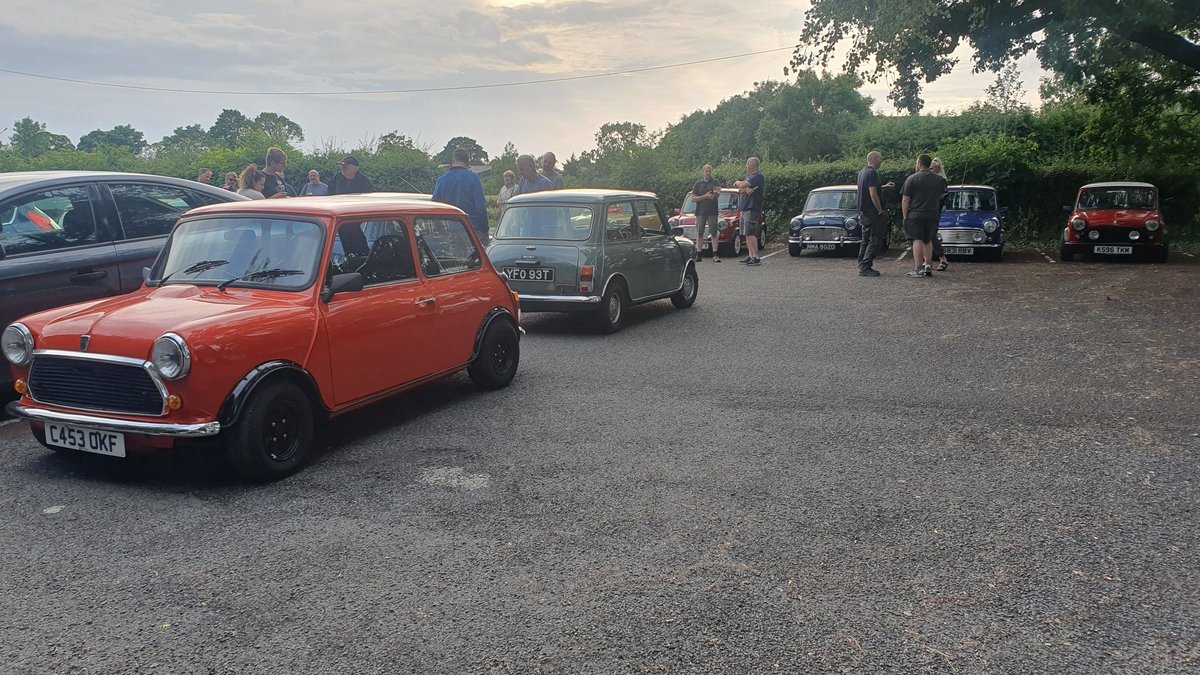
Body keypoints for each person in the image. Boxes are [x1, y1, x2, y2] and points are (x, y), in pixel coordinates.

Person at [900, 154, 948, 278]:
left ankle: (918, 268)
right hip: (932, 213)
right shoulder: (939, 180)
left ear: (920, 163)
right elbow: (941, 197)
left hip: (916, 214)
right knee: (928, 239)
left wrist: (905, 216)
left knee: (917, 240)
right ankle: (928, 265)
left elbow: (905, 199)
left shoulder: (911, 179)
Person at [432, 146, 490, 245]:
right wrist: (484, 229)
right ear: (468, 161)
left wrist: (441, 228)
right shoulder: (473, 178)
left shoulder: (443, 180)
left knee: (457, 259)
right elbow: (481, 208)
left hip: (453, 229)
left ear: (453, 160)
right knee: (476, 259)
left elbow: (433, 207)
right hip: (472, 229)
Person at [856, 151, 896, 277]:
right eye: (880, 159)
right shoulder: (872, 173)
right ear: (873, 158)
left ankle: (862, 264)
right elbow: (873, 194)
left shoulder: (862, 172)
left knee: (865, 240)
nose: (881, 161)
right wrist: (880, 210)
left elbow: (868, 190)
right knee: (875, 240)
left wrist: (883, 187)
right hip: (873, 213)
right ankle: (866, 266)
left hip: (864, 212)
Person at [734, 157, 765, 265]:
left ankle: (756, 257)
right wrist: (745, 188)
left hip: (752, 208)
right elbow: (742, 190)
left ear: (752, 165)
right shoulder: (750, 177)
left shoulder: (758, 176)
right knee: (746, 233)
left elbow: (742, 186)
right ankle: (751, 255)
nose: (746, 166)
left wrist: (737, 182)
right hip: (745, 207)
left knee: (750, 232)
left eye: (747, 164)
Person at [692, 164, 722, 262]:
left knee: (713, 232)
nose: (708, 173)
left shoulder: (715, 182)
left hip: (712, 212)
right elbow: (693, 198)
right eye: (706, 171)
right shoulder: (698, 184)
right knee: (699, 232)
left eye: (709, 171)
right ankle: (698, 253)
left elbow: (717, 194)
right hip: (700, 212)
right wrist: (705, 196)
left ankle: (715, 254)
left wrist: (715, 194)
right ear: (703, 172)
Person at [929, 158, 950, 271]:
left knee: (932, 235)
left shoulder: (940, 180)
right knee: (927, 236)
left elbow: (942, 197)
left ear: (937, 169)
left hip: (934, 211)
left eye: (932, 168)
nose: (930, 171)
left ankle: (943, 259)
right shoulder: (936, 179)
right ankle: (928, 261)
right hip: (932, 210)